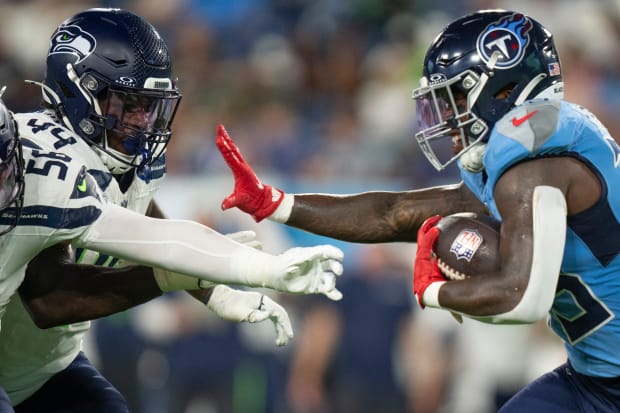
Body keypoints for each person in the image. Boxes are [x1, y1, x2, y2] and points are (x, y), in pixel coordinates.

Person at [217, 8, 620, 412]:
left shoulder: (535, 162)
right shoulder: (517, 159)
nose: (447, 114)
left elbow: (522, 297)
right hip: (591, 379)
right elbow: (395, 213)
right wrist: (274, 202)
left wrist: (434, 291)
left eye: (456, 96)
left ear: (503, 88)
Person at [0, 8, 344, 413]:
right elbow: (49, 298)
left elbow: (146, 219)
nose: (142, 120)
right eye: (127, 103)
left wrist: (209, 288)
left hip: (43, 369)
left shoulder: (123, 160)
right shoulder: (45, 164)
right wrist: (230, 270)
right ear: (78, 91)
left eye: (148, 105)